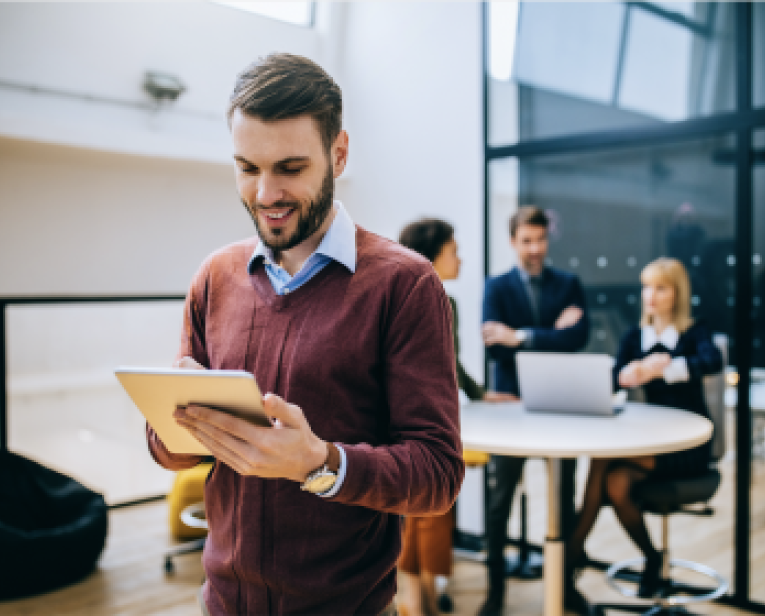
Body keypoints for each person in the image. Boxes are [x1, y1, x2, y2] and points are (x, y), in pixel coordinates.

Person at [146, 53, 465, 616]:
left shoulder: (405, 284)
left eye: (290, 168)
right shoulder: (215, 277)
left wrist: (318, 463)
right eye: (247, 167)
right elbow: (174, 452)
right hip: (220, 605)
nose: (266, 193)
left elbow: (437, 474)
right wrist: (172, 423)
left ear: (338, 154)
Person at [565, 257, 723, 603]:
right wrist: (625, 376)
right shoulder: (635, 336)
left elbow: (712, 362)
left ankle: (570, 554)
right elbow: (613, 377)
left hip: (687, 445)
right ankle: (651, 558)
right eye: (647, 287)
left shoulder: (695, 332)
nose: (650, 295)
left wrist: (664, 368)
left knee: (602, 460)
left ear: (676, 294)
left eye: (660, 288)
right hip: (652, 441)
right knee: (615, 483)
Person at [397, 219, 517, 616]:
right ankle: (419, 602)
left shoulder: (435, 299)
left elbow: (450, 364)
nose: (460, 257)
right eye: (454, 249)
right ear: (433, 255)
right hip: (417, 420)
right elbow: (440, 367)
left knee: (422, 508)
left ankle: (420, 598)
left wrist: (482, 394)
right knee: (429, 507)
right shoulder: (435, 299)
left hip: (407, 417)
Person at [479, 206, 590, 615]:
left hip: (559, 408)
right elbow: (492, 340)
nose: (535, 248)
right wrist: (551, 334)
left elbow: (578, 338)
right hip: (510, 408)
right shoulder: (496, 287)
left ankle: (566, 586)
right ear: (513, 242)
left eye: (540, 239)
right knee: (499, 502)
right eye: (526, 240)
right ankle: (495, 592)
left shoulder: (569, 284)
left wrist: (520, 336)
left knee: (564, 500)